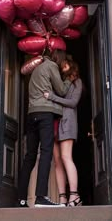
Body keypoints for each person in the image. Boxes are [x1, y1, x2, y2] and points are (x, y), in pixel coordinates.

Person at [17, 49, 72, 208]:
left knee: (30, 156)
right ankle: (41, 197)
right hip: (45, 113)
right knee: (46, 152)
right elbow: (61, 90)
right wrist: (68, 79)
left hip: (31, 114)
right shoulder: (51, 66)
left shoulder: (36, 69)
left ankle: (21, 199)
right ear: (59, 60)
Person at [44, 59, 82, 207]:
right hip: (54, 122)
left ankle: (74, 195)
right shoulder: (58, 82)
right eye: (62, 66)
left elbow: (73, 103)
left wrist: (52, 97)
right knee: (58, 162)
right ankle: (62, 198)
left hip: (67, 123)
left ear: (72, 65)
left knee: (66, 157)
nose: (63, 68)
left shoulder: (76, 82)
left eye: (66, 65)